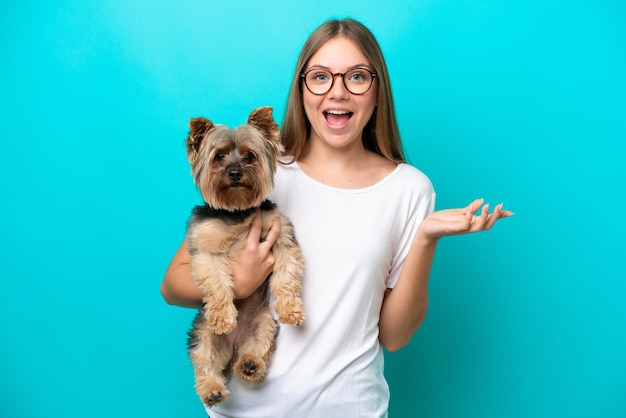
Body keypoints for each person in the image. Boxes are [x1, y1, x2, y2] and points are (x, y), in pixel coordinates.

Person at [161, 18, 512, 418]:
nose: (338, 91)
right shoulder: (263, 175)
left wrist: (427, 237)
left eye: (357, 76)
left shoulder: (410, 190)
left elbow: (395, 337)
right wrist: (239, 281)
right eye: (321, 77)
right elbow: (172, 286)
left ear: (378, 91)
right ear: (301, 90)